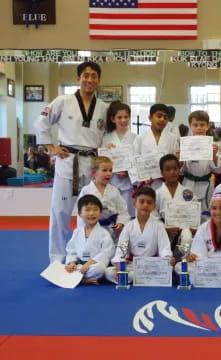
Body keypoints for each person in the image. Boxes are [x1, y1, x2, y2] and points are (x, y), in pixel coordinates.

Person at [35, 61, 108, 263]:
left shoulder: (102, 107)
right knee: (60, 211)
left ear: (98, 80)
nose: (90, 79)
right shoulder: (62, 101)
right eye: (86, 75)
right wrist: (51, 148)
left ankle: (87, 256)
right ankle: (57, 259)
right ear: (78, 78)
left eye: (94, 76)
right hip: (69, 162)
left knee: (91, 211)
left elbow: (107, 137)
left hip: (92, 164)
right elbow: (41, 122)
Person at [175, 193, 221, 288]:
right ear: (210, 210)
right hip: (207, 266)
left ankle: (206, 280)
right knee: (179, 266)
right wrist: (194, 257)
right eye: (214, 208)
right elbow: (198, 253)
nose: (218, 212)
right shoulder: (203, 228)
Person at [105, 187, 174, 284]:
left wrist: (168, 257)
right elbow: (122, 250)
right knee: (108, 272)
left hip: (151, 265)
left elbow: (164, 248)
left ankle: (131, 279)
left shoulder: (159, 226)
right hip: (133, 265)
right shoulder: (129, 226)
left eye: (149, 203)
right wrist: (118, 269)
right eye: (141, 202)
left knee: (168, 268)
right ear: (134, 204)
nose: (145, 205)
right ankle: (140, 278)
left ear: (154, 206)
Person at [77, 156, 130, 242]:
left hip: (113, 229)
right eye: (104, 170)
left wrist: (121, 222)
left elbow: (123, 210)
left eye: (110, 170)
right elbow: (81, 214)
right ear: (94, 172)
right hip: (93, 228)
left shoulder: (114, 190)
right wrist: (83, 231)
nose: (109, 173)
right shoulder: (86, 190)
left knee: (115, 251)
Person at [64, 194, 114, 285]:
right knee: (67, 268)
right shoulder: (77, 232)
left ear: (100, 213)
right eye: (87, 210)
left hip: (93, 265)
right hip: (79, 265)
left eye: (95, 210)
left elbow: (106, 253)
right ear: (79, 213)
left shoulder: (104, 233)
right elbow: (71, 250)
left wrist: (89, 264)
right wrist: (72, 263)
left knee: (100, 269)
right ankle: (85, 280)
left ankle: (78, 279)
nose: (91, 213)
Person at [181, 110, 221, 220]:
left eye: (202, 125)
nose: (199, 128)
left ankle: (206, 235)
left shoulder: (212, 145)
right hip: (188, 183)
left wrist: (214, 154)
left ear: (207, 126)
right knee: (188, 213)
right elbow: (181, 170)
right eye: (195, 125)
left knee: (206, 214)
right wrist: (179, 157)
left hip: (205, 184)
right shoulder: (185, 144)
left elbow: (218, 170)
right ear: (190, 126)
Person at [155, 154, 197, 254]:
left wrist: (193, 228)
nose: (172, 172)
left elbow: (194, 214)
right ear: (162, 173)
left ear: (179, 169)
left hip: (184, 231)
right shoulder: (158, 193)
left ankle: (184, 263)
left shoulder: (188, 193)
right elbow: (154, 217)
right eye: (168, 169)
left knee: (187, 238)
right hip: (165, 232)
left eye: (175, 168)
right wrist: (165, 229)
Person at [101, 101, 137, 217]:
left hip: (128, 184)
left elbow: (138, 162)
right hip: (111, 183)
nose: (123, 120)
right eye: (119, 117)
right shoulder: (105, 138)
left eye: (126, 117)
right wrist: (105, 151)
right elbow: (100, 161)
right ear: (113, 119)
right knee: (112, 216)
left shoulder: (136, 138)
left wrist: (128, 172)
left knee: (128, 215)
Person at [132, 103, 179, 190]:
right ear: (150, 118)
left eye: (165, 117)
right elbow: (133, 161)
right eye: (159, 116)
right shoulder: (140, 138)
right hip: (147, 184)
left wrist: (179, 159)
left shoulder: (172, 139)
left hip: (167, 183)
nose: (162, 119)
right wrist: (141, 178)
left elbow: (175, 162)